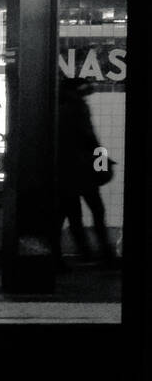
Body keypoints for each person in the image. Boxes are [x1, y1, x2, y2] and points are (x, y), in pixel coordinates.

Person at [56, 77, 116, 266]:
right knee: (97, 210)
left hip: (64, 172)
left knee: (72, 215)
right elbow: (89, 137)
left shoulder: (58, 108)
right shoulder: (78, 108)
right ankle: (104, 253)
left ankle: (80, 253)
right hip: (84, 171)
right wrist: (102, 160)